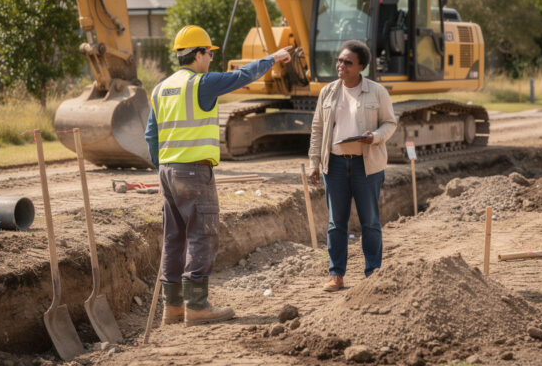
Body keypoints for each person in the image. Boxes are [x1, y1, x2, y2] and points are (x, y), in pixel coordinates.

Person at [145, 25, 291, 326]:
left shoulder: (160, 88)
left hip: (168, 171)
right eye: (209, 54)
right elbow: (243, 76)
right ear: (198, 54)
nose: (210, 59)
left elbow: (151, 135)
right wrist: (273, 58)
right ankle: (197, 306)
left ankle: (172, 308)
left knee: (174, 238)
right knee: (202, 235)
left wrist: (161, 170)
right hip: (195, 171)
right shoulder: (200, 83)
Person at [308, 40, 397, 292]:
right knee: (336, 222)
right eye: (339, 60)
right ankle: (336, 274)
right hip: (334, 165)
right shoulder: (327, 92)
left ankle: (373, 273)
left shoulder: (377, 92)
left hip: (366, 165)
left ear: (361, 67)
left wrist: (375, 137)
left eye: (348, 62)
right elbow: (317, 129)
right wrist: (314, 162)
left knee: (369, 221)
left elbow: (390, 124)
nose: (341, 65)